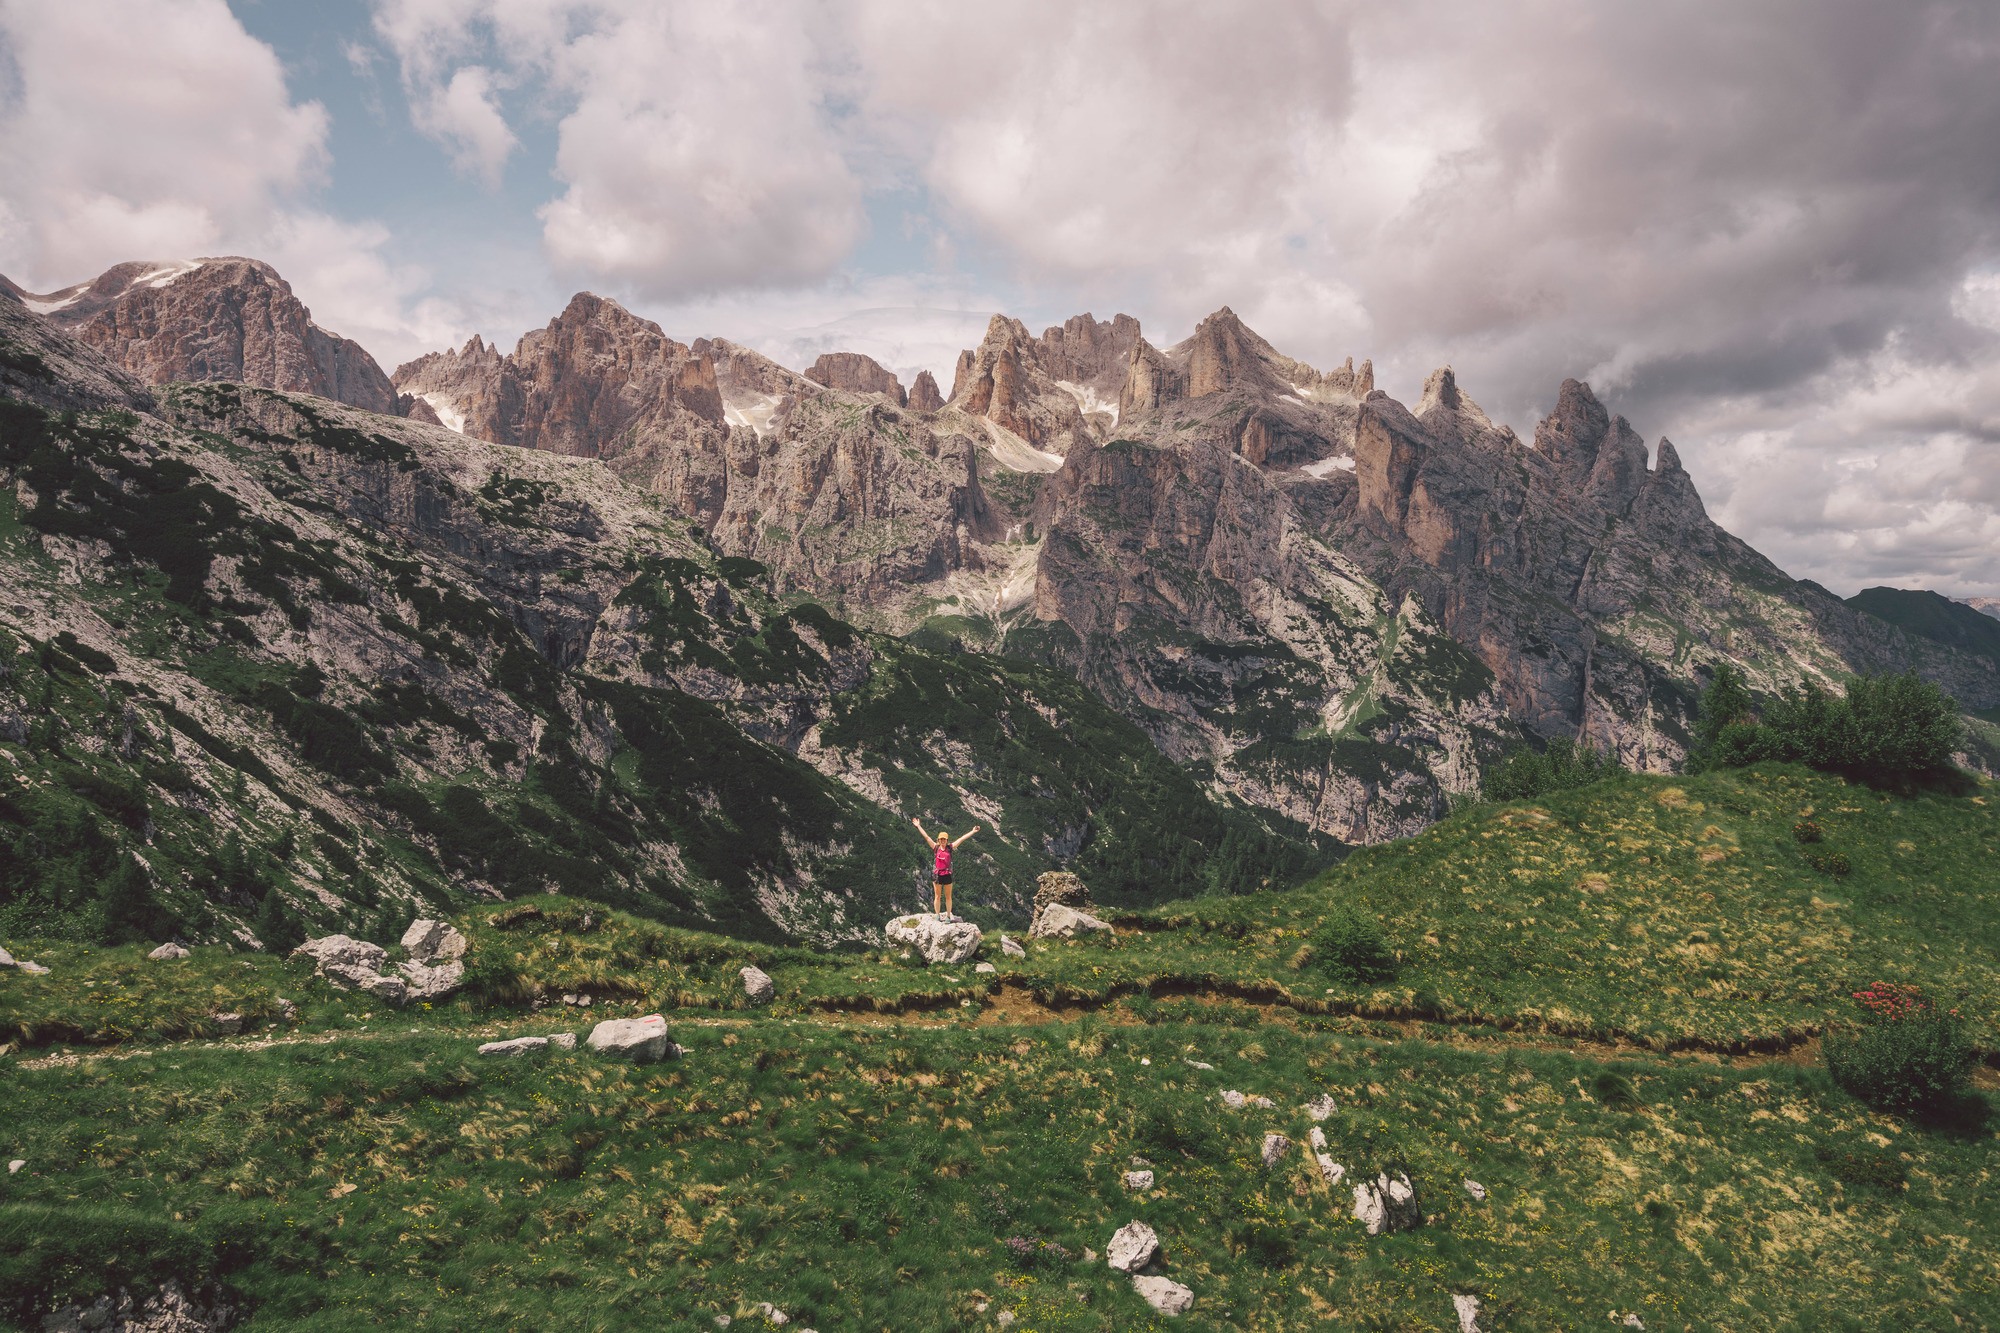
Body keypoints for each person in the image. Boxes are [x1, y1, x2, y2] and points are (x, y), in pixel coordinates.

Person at [912, 818, 978, 918]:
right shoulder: (935, 847)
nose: (942, 841)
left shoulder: (950, 847)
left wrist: (972, 831)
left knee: (948, 897)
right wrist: (918, 826)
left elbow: (961, 839)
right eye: (941, 839)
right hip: (937, 875)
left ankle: (948, 916)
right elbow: (926, 837)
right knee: (937, 896)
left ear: (947, 840)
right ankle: (937, 915)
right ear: (938, 840)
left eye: (944, 839)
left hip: (947, 874)